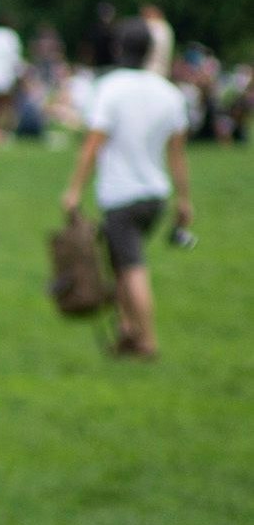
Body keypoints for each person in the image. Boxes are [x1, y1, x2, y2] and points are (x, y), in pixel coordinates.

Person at [63, 19, 191, 361]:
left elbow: (93, 143)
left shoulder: (111, 88)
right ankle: (127, 333)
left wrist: (74, 189)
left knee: (131, 266)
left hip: (122, 194)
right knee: (120, 261)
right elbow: (176, 154)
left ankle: (146, 340)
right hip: (156, 194)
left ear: (119, 48)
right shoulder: (169, 92)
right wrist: (184, 200)